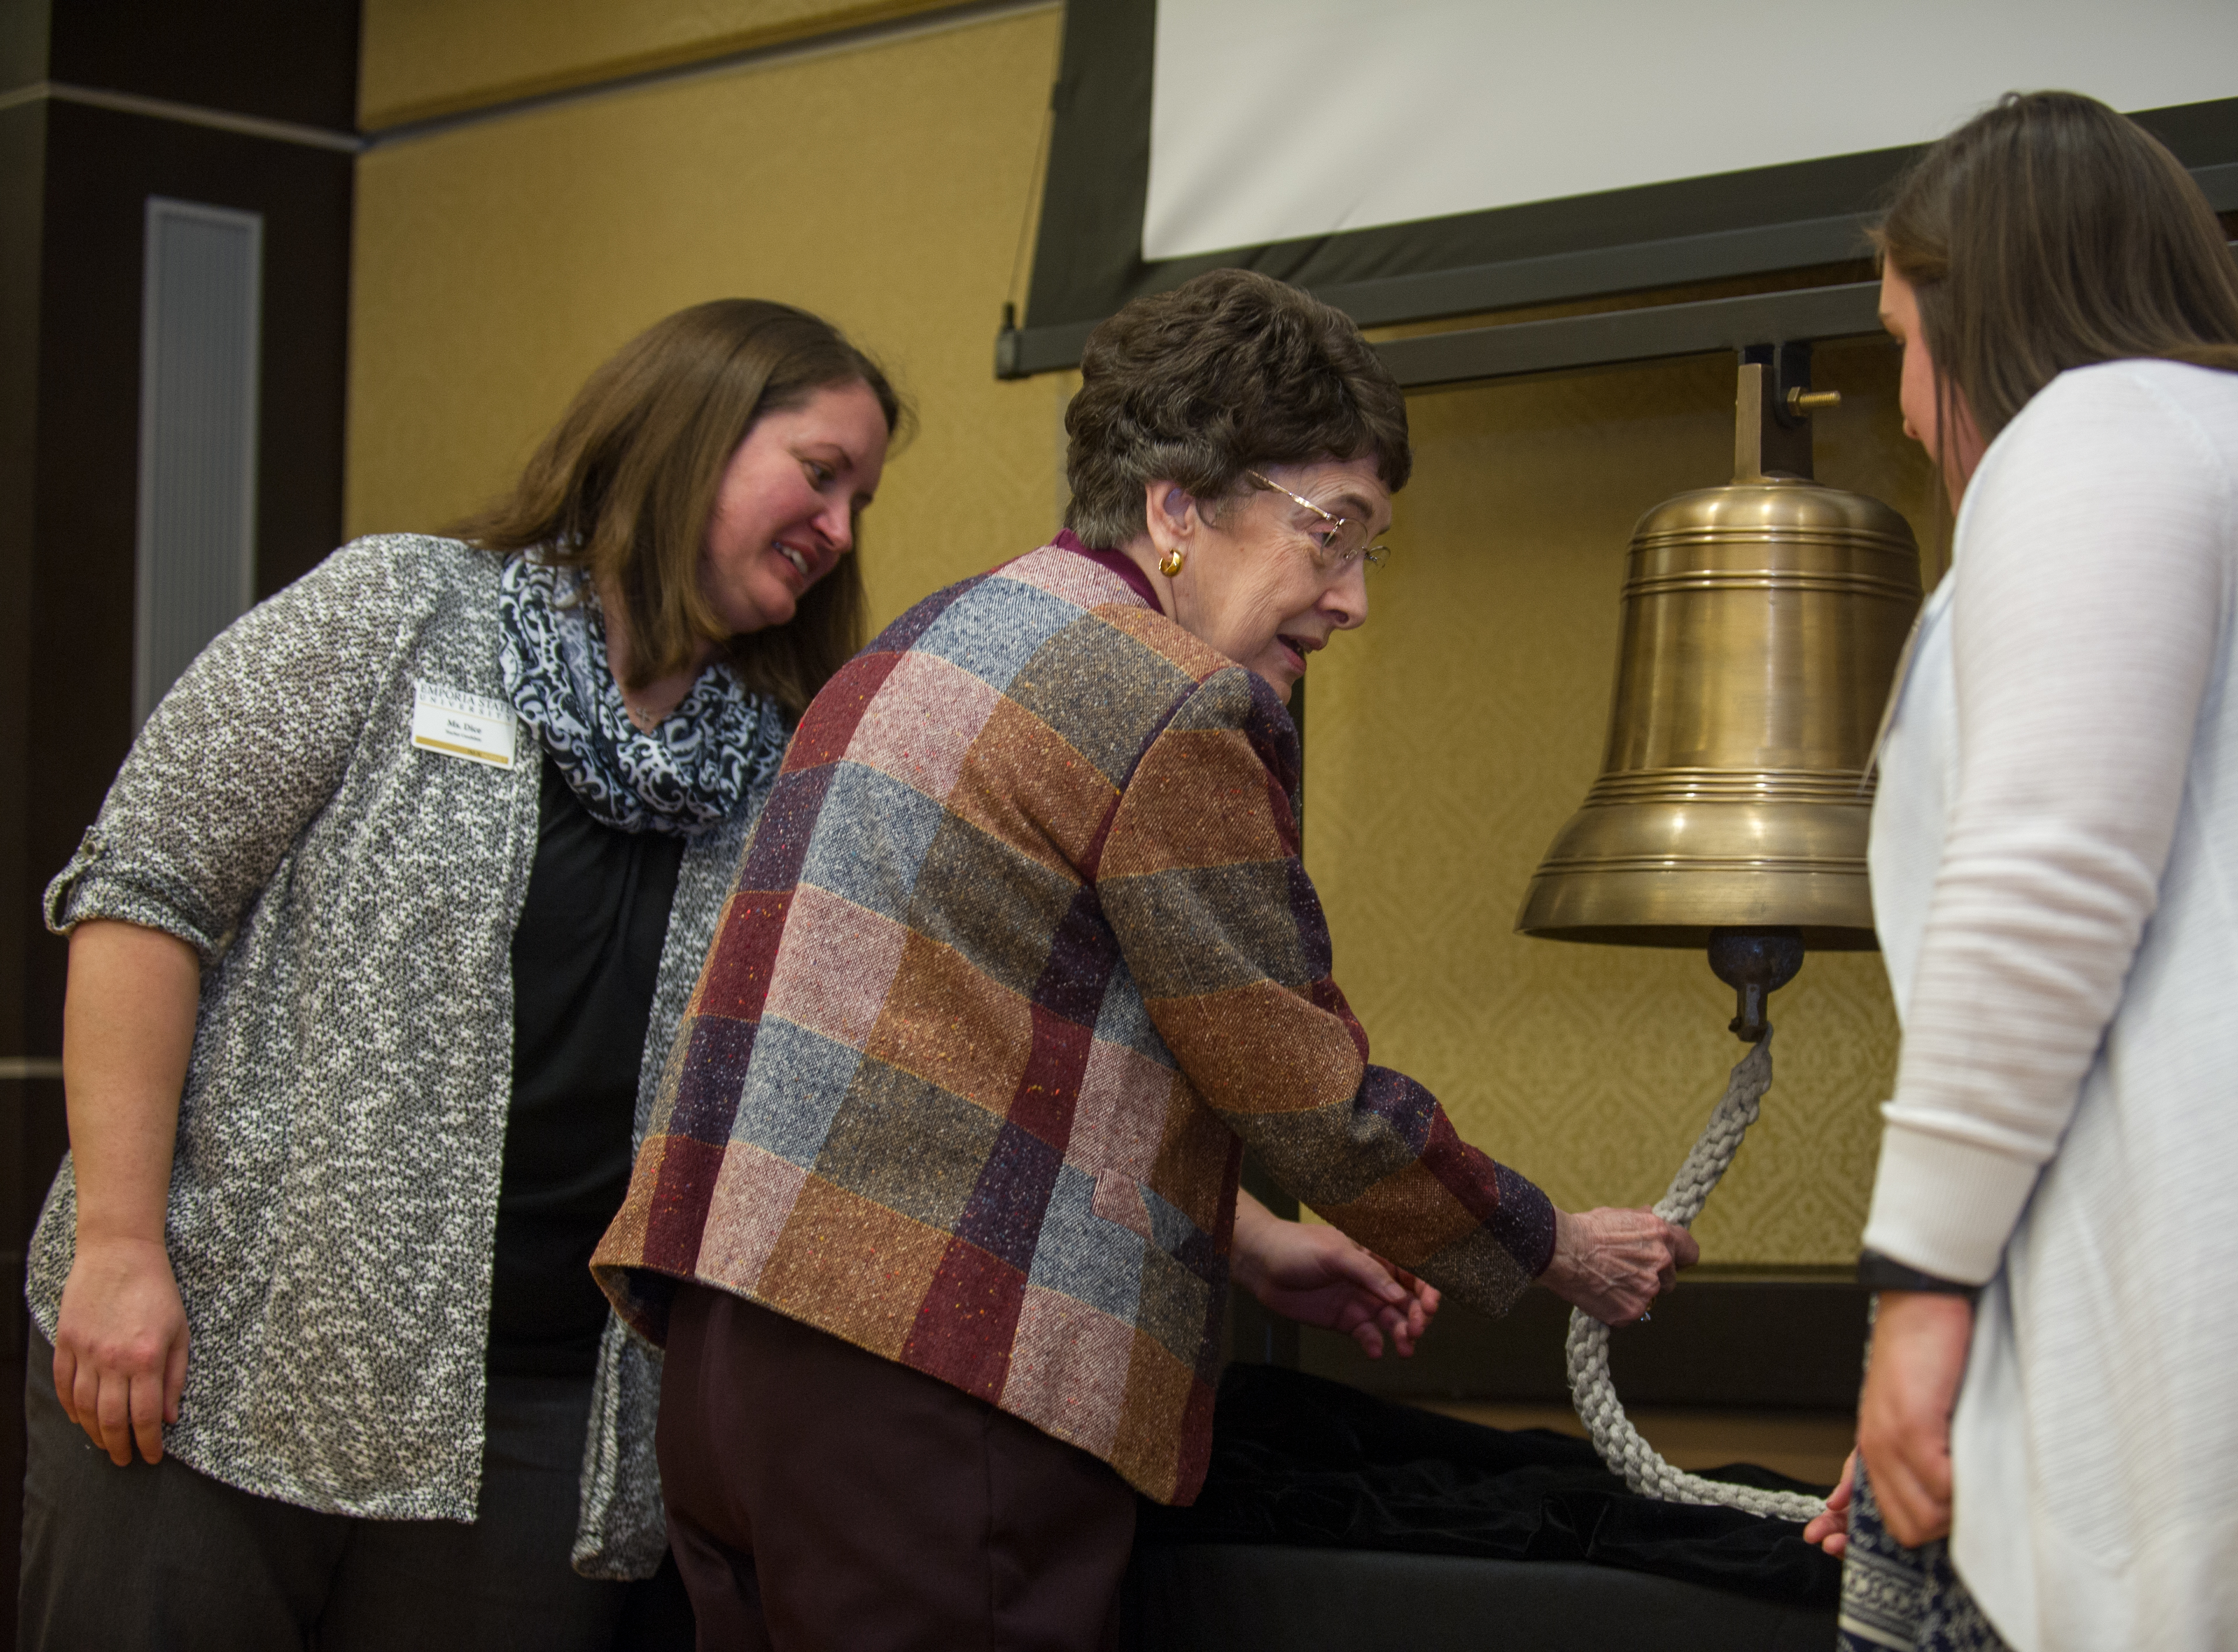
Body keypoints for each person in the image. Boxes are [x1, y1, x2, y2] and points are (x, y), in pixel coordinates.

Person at [590, 266, 1701, 1648]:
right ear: (1177, 506)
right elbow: (1307, 1088)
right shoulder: (1166, 697)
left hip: (729, 1364)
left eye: (1369, 551)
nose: (1350, 599)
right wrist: (1556, 1249)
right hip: (935, 1391)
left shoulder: (920, 644)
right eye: (1329, 535)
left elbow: (953, 1051)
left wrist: (1242, 1246)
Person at [29, 298, 903, 1648]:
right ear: (687, 434)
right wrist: (119, 1250)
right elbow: (145, 897)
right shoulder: (399, 613)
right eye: (820, 471)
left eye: (862, 498)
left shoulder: (781, 770)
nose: (841, 529)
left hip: (539, 1419)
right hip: (223, 1349)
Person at [1799, 93, 2238, 1651]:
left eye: (1905, 335)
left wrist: (1919, 1304)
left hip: (2219, 1365)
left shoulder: (2100, 430)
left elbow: (2044, 882)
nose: (1907, 403)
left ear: (1992, 308)